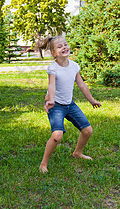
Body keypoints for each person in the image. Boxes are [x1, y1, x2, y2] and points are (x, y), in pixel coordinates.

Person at [39, 36, 101, 173]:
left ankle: (77, 153)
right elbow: (52, 85)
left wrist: (92, 100)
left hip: (69, 104)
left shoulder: (74, 66)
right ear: (54, 53)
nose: (64, 47)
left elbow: (82, 85)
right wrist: (51, 100)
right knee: (57, 136)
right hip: (55, 105)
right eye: (60, 46)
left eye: (65, 44)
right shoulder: (53, 68)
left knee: (87, 130)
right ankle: (43, 163)